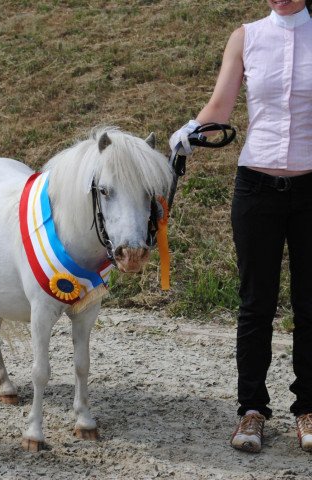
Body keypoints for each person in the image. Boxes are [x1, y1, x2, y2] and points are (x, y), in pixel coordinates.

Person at [169, 0, 312, 454]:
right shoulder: (246, 36)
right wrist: (189, 132)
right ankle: (251, 410)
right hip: (256, 190)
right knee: (255, 304)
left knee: (311, 304)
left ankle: (309, 408)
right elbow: (222, 106)